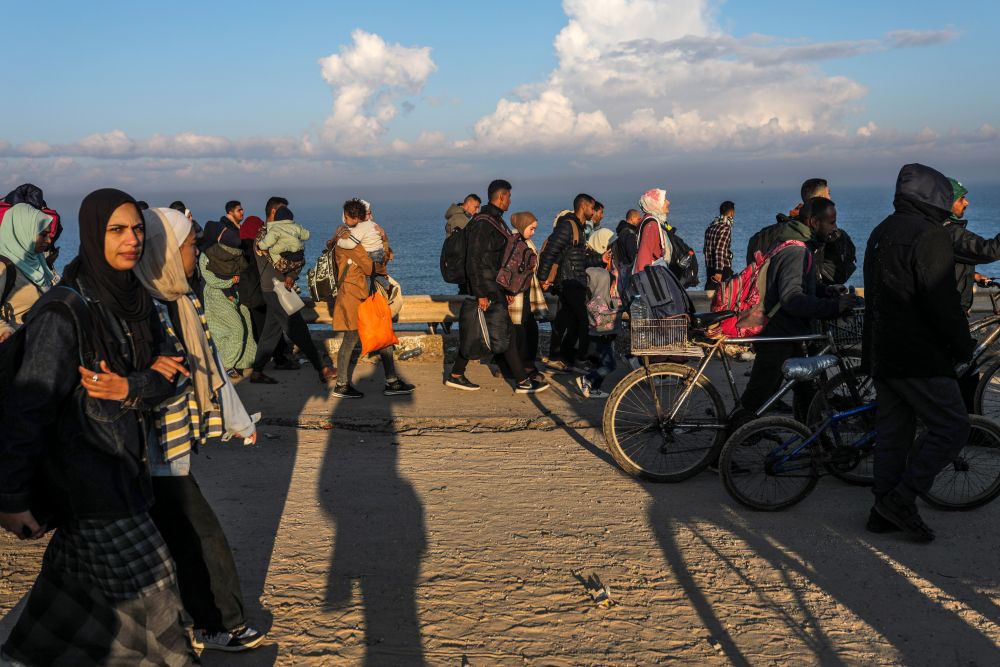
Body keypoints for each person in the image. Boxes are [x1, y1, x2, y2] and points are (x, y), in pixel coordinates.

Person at [0, 188, 192, 665]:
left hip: (127, 470)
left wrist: (132, 386)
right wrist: (10, 497)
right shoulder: (64, 312)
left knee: (71, 593)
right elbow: (30, 406)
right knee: (157, 582)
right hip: (88, 481)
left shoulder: (136, 302)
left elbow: (177, 372)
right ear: (92, 234)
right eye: (117, 230)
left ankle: (25, 656)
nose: (132, 240)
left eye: (138, 230)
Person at [134, 207, 265, 653]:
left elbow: (211, 368)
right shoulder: (140, 307)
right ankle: (219, 623)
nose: (198, 253)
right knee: (200, 537)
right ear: (167, 251)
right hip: (147, 451)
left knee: (182, 539)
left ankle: (211, 622)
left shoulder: (181, 300)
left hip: (170, 447)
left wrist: (238, 421)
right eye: (191, 245)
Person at [862, 163, 975, 542]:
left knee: (894, 432)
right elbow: (941, 301)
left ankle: (882, 508)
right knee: (952, 426)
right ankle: (903, 498)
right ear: (934, 195)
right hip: (919, 354)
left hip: (883, 351)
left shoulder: (882, 231)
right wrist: (962, 346)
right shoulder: (929, 235)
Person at [736, 197, 857, 420]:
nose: (835, 228)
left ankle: (817, 443)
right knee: (757, 399)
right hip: (779, 336)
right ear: (813, 222)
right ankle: (725, 446)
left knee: (806, 392)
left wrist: (823, 290)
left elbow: (793, 285)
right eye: (831, 222)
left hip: (789, 335)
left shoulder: (792, 241)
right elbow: (792, 298)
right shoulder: (797, 251)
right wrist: (834, 306)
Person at [446, 180, 550, 393]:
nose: (510, 201)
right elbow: (474, 260)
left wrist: (504, 290)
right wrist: (481, 293)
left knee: (485, 332)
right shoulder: (484, 223)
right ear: (501, 197)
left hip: (495, 288)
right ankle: (522, 381)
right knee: (504, 332)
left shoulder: (495, 221)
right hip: (487, 289)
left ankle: (456, 374)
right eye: (509, 196)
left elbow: (497, 261)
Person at [329, 198, 414, 399]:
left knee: (381, 333)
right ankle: (342, 385)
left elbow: (382, 260)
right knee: (351, 338)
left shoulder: (355, 235)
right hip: (355, 295)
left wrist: (383, 239)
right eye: (368, 214)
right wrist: (381, 244)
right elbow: (374, 266)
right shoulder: (348, 239)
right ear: (357, 217)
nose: (371, 218)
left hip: (364, 293)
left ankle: (390, 381)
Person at [249, 196, 336, 385]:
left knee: (270, 332)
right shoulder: (263, 236)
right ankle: (322, 368)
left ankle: (257, 371)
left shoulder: (281, 232)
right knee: (298, 328)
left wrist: (292, 274)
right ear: (273, 212)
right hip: (275, 289)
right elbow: (288, 260)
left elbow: (294, 258)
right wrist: (292, 271)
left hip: (278, 288)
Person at [942, 177, 1000, 410]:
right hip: (950, 314)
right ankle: (970, 425)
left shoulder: (945, 230)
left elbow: (952, 263)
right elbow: (987, 250)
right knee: (966, 366)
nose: (966, 203)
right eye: (961, 199)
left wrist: (974, 277)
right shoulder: (950, 233)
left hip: (956, 310)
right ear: (947, 202)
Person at [746, 178, 857, 287]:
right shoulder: (811, 238)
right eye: (828, 193)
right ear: (820, 198)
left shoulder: (776, 231)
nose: (831, 198)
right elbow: (834, 276)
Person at [538, 193, 597, 373]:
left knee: (563, 321)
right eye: (592, 208)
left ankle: (556, 358)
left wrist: (601, 259)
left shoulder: (578, 227)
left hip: (574, 280)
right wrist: (542, 277)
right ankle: (579, 360)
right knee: (585, 320)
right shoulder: (568, 226)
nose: (593, 212)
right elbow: (550, 252)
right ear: (583, 206)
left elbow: (579, 257)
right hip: (569, 281)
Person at [199, 228, 257, 378]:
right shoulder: (208, 256)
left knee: (245, 325)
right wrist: (230, 281)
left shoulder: (235, 255)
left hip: (236, 295)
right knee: (236, 329)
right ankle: (226, 364)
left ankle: (242, 361)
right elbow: (212, 280)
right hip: (217, 297)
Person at [0, 203, 58, 342]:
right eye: (43, 235)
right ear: (23, 231)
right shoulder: (3, 267)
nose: (49, 240)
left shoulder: (39, 261)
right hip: (18, 351)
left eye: (49, 234)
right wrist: (5, 331)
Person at [575, 228, 620, 399]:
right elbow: (604, 297)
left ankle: (593, 388)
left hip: (597, 322)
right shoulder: (597, 272)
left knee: (602, 360)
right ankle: (587, 380)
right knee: (610, 364)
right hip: (603, 323)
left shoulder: (592, 268)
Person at [506, 212, 549, 380]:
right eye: (531, 228)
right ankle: (524, 366)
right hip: (517, 294)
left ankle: (524, 364)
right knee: (521, 332)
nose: (533, 232)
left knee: (527, 330)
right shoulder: (515, 243)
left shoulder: (524, 242)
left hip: (526, 293)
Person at [337, 199, 393, 296]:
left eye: (346, 218)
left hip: (371, 255)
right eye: (369, 213)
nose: (345, 220)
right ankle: (388, 286)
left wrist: (340, 242)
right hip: (380, 254)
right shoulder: (373, 225)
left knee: (368, 274)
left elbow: (350, 244)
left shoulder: (358, 229)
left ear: (355, 218)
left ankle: (367, 295)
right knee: (375, 274)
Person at [259, 206, 310, 272]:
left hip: (283, 264)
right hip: (299, 260)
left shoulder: (275, 229)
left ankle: (277, 265)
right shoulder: (296, 227)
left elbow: (268, 242)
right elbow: (306, 235)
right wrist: (298, 228)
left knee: (271, 250)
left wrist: (260, 245)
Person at [633, 188, 673, 273]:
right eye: (664, 200)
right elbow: (644, 255)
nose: (668, 202)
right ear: (656, 204)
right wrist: (643, 280)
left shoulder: (657, 222)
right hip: (653, 275)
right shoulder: (651, 225)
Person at [704, 201, 735, 291]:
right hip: (722, 269)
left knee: (711, 298)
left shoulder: (711, 227)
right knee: (725, 298)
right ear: (732, 212)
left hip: (710, 268)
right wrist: (719, 272)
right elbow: (719, 250)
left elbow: (706, 250)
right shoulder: (725, 228)